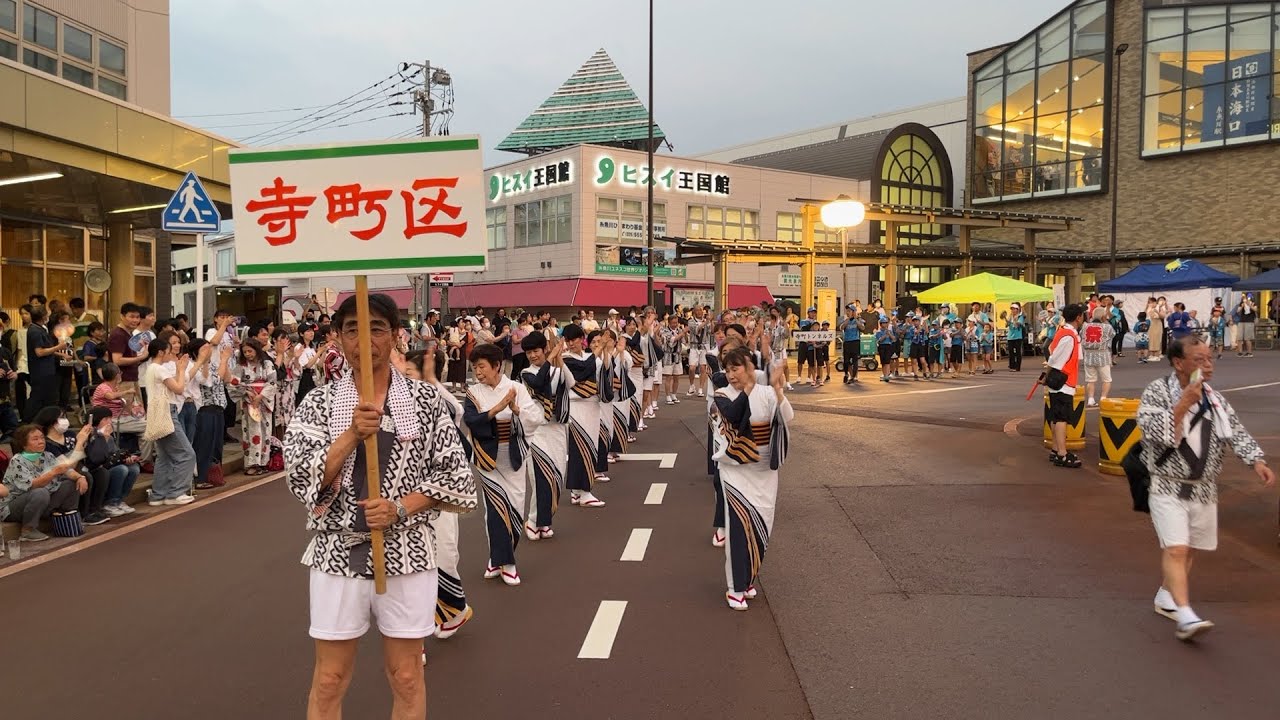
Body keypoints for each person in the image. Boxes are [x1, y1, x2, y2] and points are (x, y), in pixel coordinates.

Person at [283, 293, 476, 718]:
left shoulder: (426, 403)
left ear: (395, 336)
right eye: (352, 329)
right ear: (337, 338)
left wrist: (400, 508)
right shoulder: (317, 403)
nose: (364, 339)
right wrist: (351, 434)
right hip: (337, 551)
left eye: (377, 328)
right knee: (330, 677)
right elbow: (298, 478)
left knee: (406, 674)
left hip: (408, 550)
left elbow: (456, 477)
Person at [1137, 335, 1273, 641]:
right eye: (1199, 360)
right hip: (1167, 484)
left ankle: (1165, 595)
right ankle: (1185, 616)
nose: (1208, 365)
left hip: (1204, 487)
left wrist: (1256, 461)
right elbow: (1152, 430)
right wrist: (1183, 403)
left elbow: (1235, 430)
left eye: (1209, 359)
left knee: (1190, 549)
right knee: (1176, 547)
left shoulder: (1214, 398)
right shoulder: (1158, 391)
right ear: (1178, 363)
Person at [710, 347, 792, 611]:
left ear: (748, 367)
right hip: (735, 472)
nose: (731, 375)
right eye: (728, 370)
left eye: (736, 369)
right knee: (737, 528)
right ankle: (735, 587)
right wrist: (748, 388)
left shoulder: (766, 393)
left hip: (764, 471)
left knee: (762, 526)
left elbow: (787, 418)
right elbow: (733, 416)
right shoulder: (721, 395)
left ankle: (748, 579)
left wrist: (778, 389)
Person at [404, 347, 473, 640]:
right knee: (412, 567)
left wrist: (432, 380)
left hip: (439, 495)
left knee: (444, 555)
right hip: (407, 498)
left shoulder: (441, 405)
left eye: (409, 373)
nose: (403, 379)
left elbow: (456, 415)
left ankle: (451, 612)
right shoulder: (397, 404)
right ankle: (414, 637)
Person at [464, 342, 541, 586]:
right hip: (487, 458)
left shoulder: (516, 388)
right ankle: (506, 563)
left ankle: (498, 558)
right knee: (495, 509)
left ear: (497, 366)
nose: (478, 372)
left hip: (513, 454)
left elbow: (536, 418)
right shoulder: (473, 392)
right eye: (475, 367)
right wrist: (498, 408)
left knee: (516, 508)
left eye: (482, 366)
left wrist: (516, 408)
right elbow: (472, 420)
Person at [519, 331, 571, 540]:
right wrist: (550, 359)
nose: (532, 355)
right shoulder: (526, 373)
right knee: (541, 478)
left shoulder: (555, 369)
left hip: (557, 428)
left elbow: (572, 383)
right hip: (537, 431)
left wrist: (559, 358)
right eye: (529, 352)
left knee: (557, 478)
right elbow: (540, 383)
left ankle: (545, 521)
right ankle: (533, 521)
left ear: (544, 349)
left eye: (536, 351)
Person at [2, 424, 84, 541]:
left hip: (42, 501)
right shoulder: (17, 461)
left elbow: (67, 470)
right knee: (40, 492)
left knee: (70, 483)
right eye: (35, 439)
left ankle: (66, 519)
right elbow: (34, 485)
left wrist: (79, 477)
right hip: (14, 506)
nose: (41, 441)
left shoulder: (47, 455)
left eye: (42, 438)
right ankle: (28, 530)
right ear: (24, 444)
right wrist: (53, 472)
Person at [143, 331, 197, 506]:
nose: (171, 353)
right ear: (160, 352)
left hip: (157, 413)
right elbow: (179, 388)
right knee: (187, 454)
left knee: (164, 456)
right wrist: (181, 369)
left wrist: (181, 370)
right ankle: (176, 492)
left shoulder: (151, 369)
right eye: (168, 350)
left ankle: (158, 495)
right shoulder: (159, 369)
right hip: (167, 412)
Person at [561, 323, 610, 508]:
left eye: (574, 339)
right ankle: (584, 492)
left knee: (586, 449)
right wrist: (600, 349)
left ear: (581, 339)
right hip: (576, 407)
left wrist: (605, 349)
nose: (571, 343)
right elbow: (582, 370)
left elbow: (604, 370)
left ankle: (576, 490)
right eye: (568, 340)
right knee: (582, 449)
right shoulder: (566, 358)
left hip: (592, 406)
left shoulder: (591, 357)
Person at [230, 338, 276, 476]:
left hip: (263, 400)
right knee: (251, 432)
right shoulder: (241, 366)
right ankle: (252, 462)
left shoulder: (267, 363)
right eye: (245, 352)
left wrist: (260, 396)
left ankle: (263, 461)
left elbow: (272, 382)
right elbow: (233, 383)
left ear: (256, 350)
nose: (248, 354)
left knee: (265, 431)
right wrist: (246, 391)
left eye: (250, 351)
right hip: (249, 401)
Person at [84, 406, 140, 516]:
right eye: (106, 419)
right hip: (97, 468)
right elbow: (96, 457)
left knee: (134, 468)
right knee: (121, 470)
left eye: (110, 418)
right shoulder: (91, 434)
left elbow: (115, 452)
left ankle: (119, 500)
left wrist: (127, 458)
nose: (109, 421)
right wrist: (104, 438)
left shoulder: (109, 436)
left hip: (110, 464)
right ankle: (110, 503)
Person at [1047, 304, 1084, 468]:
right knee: (1062, 418)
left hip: (1058, 380)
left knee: (1056, 417)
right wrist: (1047, 373)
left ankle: (1056, 450)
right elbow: (1055, 359)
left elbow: (1050, 350)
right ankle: (1062, 453)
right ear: (1078, 317)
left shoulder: (1063, 332)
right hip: (1063, 381)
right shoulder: (1069, 336)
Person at [24, 305, 68, 422]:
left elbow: (47, 348)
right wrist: (59, 346)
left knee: (49, 398)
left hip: (47, 370)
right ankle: (27, 422)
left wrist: (61, 354)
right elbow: (39, 352)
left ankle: (47, 421)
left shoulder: (41, 329)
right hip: (40, 371)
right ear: (43, 317)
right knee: (37, 398)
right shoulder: (35, 331)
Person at [108, 303, 144, 396]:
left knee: (136, 410)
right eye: (131, 317)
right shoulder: (118, 334)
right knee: (125, 410)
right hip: (122, 381)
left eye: (137, 317)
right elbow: (117, 360)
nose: (135, 320)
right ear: (122, 316)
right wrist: (140, 358)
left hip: (131, 379)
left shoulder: (129, 333)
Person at [1082, 307, 1115, 407]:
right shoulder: (1107, 327)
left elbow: (1081, 336)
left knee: (1090, 379)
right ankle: (1103, 398)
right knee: (1106, 379)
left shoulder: (1085, 326)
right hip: (1102, 355)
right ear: (1103, 316)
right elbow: (1113, 334)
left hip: (1088, 355)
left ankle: (1091, 399)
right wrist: (1106, 322)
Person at [659, 314, 686, 404]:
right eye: (673, 323)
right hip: (668, 356)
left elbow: (684, 342)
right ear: (669, 322)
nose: (675, 324)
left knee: (676, 377)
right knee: (668, 377)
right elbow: (672, 341)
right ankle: (667, 395)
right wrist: (682, 333)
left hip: (677, 356)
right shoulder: (665, 331)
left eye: (676, 322)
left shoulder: (679, 330)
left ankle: (674, 394)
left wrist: (684, 334)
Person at [686, 306, 711, 398]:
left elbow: (710, 332)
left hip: (704, 345)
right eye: (698, 310)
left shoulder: (706, 321)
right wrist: (706, 322)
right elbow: (696, 330)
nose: (700, 312)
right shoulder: (691, 321)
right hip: (694, 346)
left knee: (703, 368)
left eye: (701, 310)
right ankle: (692, 385)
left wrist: (710, 322)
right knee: (692, 368)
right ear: (694, 312)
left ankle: (701, 388)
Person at [838, 304, 862, 384]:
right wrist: (848, 319)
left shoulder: (858, 319)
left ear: (854, 312)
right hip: (847, 341)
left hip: (855, 341)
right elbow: (841, 327)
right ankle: (847, 374)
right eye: (847, 311)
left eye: (850, 311)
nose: (848, 312)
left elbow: (862, 327)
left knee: (855, 360)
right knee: (846, 360)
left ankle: (854, 376)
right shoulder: (845, 319)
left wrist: (855, 319)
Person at [1006, 304, 1027, 371]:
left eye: (1014, 309)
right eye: (1012, 309)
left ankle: (1018, 367)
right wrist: (1006, 319)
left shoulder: (1020, 317)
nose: (1013, 310)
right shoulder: (1010, 316)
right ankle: (1012, 366)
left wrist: (1015, 320)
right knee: (1011, 352)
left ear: (1017, 310)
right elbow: (1007, 325)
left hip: (1018, 336)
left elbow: (1018, 325)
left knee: (1018, 352)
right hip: (1010, 336)